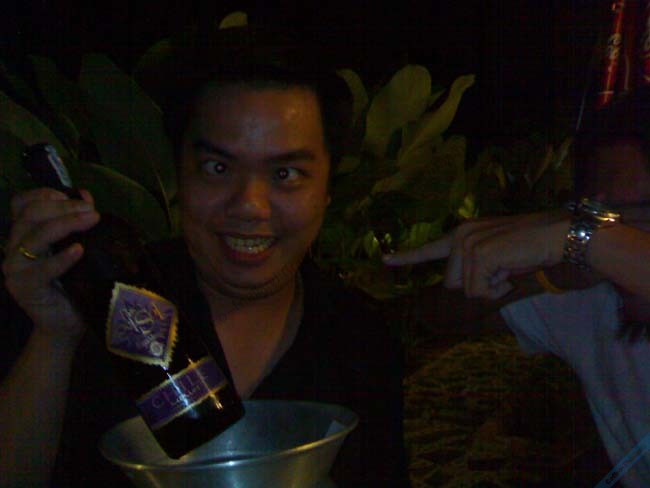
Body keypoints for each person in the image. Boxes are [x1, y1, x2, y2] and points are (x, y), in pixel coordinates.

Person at [0, 28, 409, 487]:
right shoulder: (96, 295)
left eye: (286, 173)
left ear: (327, 191)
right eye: (218, 168)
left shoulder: (361, 339)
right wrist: (52, 336)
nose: (250, 205)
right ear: (179, 175)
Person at [384, 87, 650, 487]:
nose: (617, 230)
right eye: (600, 214)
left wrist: (582, 239)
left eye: (643, 211)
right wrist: (544, 274)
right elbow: (431, 316)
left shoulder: (590, 247)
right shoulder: (593, 294)